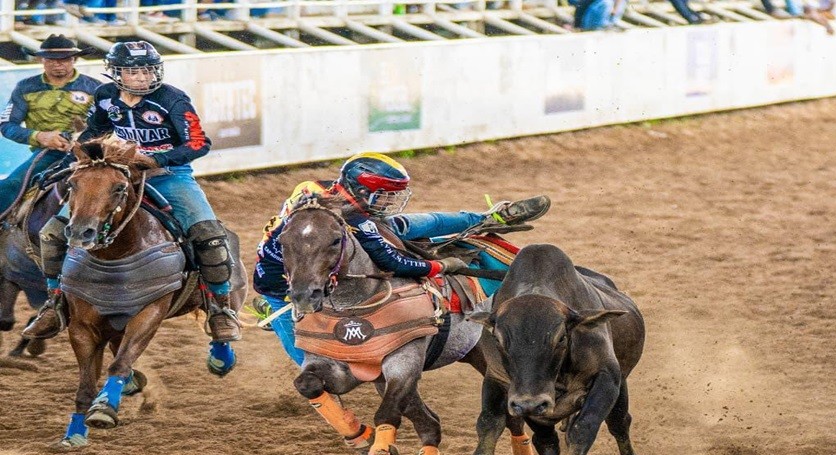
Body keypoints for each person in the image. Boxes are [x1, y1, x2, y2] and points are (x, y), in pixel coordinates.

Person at [23, 41, 241, 344]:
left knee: (209, 235)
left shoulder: (174, 100)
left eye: (147, 70)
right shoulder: (105, 96)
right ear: (117, 74)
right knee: (52, 233)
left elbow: (198, 143)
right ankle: (55, 303)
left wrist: (156, 160)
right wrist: (80, 153)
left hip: (169, 175)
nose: (142, 77)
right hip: (116, 172)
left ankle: (220, 309)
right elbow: (93, 131)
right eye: (133, 71)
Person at [252, 152, 551, 367]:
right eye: (381, 196)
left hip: (330, 241)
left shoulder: (326, 194)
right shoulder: (347, 215)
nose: (387, 203)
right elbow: (391, 260)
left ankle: (488, 217)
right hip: (283, 277)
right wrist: (438, 266)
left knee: (415, 224)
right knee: (306, 361)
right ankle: (274, 306)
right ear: (358, 190)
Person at [0, 35, 99, 220]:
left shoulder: (95, 88)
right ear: (41, 60)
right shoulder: (25, 87)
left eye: (65, 60)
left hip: (91, 154)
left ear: (74, 60)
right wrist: (40, 136)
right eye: (52, 60)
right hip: (46, 154)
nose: (58, 64)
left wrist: (82, 141)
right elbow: (6, 125)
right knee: (10, 186)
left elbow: (107, 124)